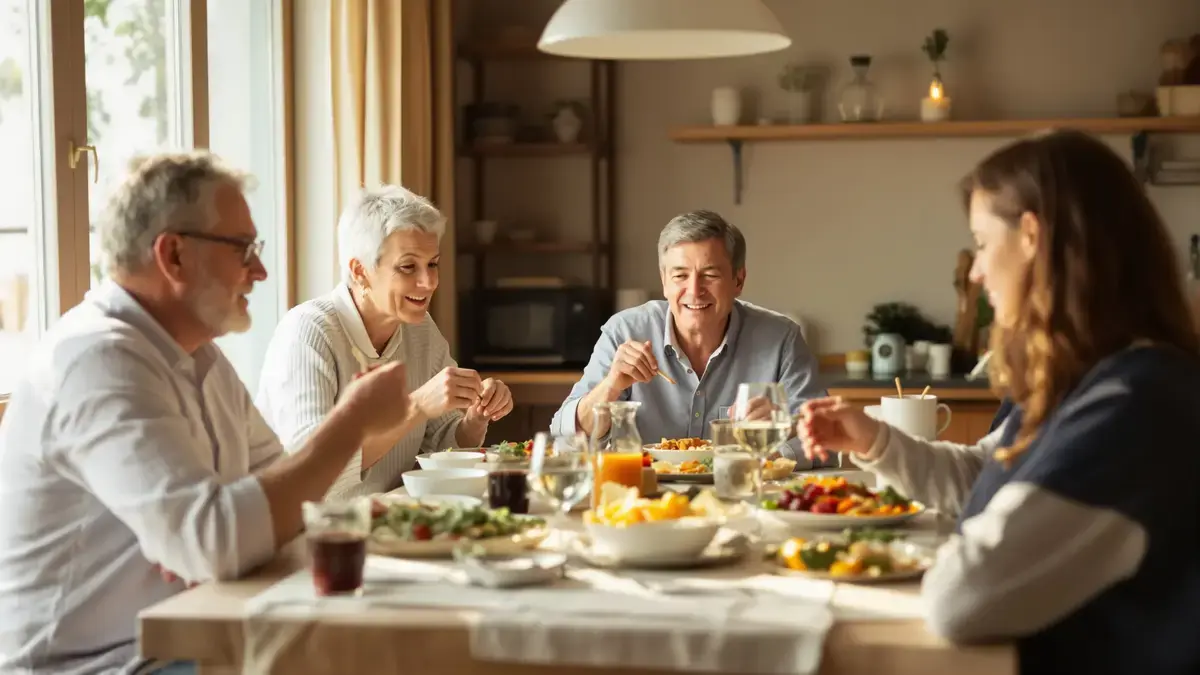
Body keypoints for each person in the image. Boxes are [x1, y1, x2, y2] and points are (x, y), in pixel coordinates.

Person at [797, 129, 1200, 675]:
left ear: (1032, 236)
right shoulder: (1088, 379)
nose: (976, 270)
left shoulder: (1135, 407)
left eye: (983, 243)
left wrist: (936, 554)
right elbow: (986, 479)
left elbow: (962, 597)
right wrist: (876, 441)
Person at [0, 152, 412, 675]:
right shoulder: (98, 360)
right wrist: (351, 421)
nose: (259, 271)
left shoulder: (199, 358)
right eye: (242, 249)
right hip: (105, 666)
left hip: (191, 638)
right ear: (173, 255)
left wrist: (243, 530)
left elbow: (286, 499)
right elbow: (218, 542)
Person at [255, 185, 513, 499]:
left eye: (432, 264)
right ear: (360, 271)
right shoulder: (307, 332)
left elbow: (440, 447)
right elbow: (311, 472)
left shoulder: (421, 330)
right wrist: (417, 406)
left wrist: (475, 418)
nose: (429, 282)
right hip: (314, 525)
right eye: (408, 267)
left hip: (390, 518)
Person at [551, 209, 830, 465]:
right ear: (664, 281)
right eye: (680, 276)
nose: (694, 291)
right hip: (642, 495)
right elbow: (566, 439)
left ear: (738, 280)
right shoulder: (625, 331)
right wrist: (610, 387)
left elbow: (827, 442)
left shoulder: (782, 339)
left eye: (710, 275)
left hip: (741, 491)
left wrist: (775, 442)